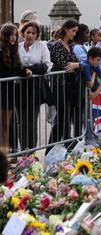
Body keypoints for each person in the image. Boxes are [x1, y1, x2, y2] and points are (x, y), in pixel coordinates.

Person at [17, 21, 53, 150]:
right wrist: (23, 70)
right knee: (21, 122)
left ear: (37, 35)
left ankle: (31, 152)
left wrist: (32, 69)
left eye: (33, 33)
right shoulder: (18, 47)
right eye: (28, 32)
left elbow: (48, 66)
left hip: (34, 88)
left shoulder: (42, 47)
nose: (30, 35)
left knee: (31, 121)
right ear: (23, 33)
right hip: (18, 88)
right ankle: (23, 151)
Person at [48, 19, 81, 149]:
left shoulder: (71, 46)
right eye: (73, 31)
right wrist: (75, 65)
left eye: (76, 31)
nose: (74, 34)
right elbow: (65, 66)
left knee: (65, 118)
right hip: (59, 85)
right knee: (62, 118)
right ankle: (51, 148)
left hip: (69, 85)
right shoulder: (57, 45)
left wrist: (76, 65)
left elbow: (79, 64)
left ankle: (66, 144)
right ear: (66, 29)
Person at [0, 23, 32, 152]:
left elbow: (16, 69)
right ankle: (5, 151)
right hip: (2, 91)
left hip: (9, 91)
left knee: (8, 124)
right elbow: (2, 73)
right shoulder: (1, 52)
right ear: (4, 36)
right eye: (10, 35)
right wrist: (21, 72)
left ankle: (9, 150)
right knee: (5, 125)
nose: (13, 38)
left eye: (14, 35)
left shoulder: (14, 51)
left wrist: (25, 71)